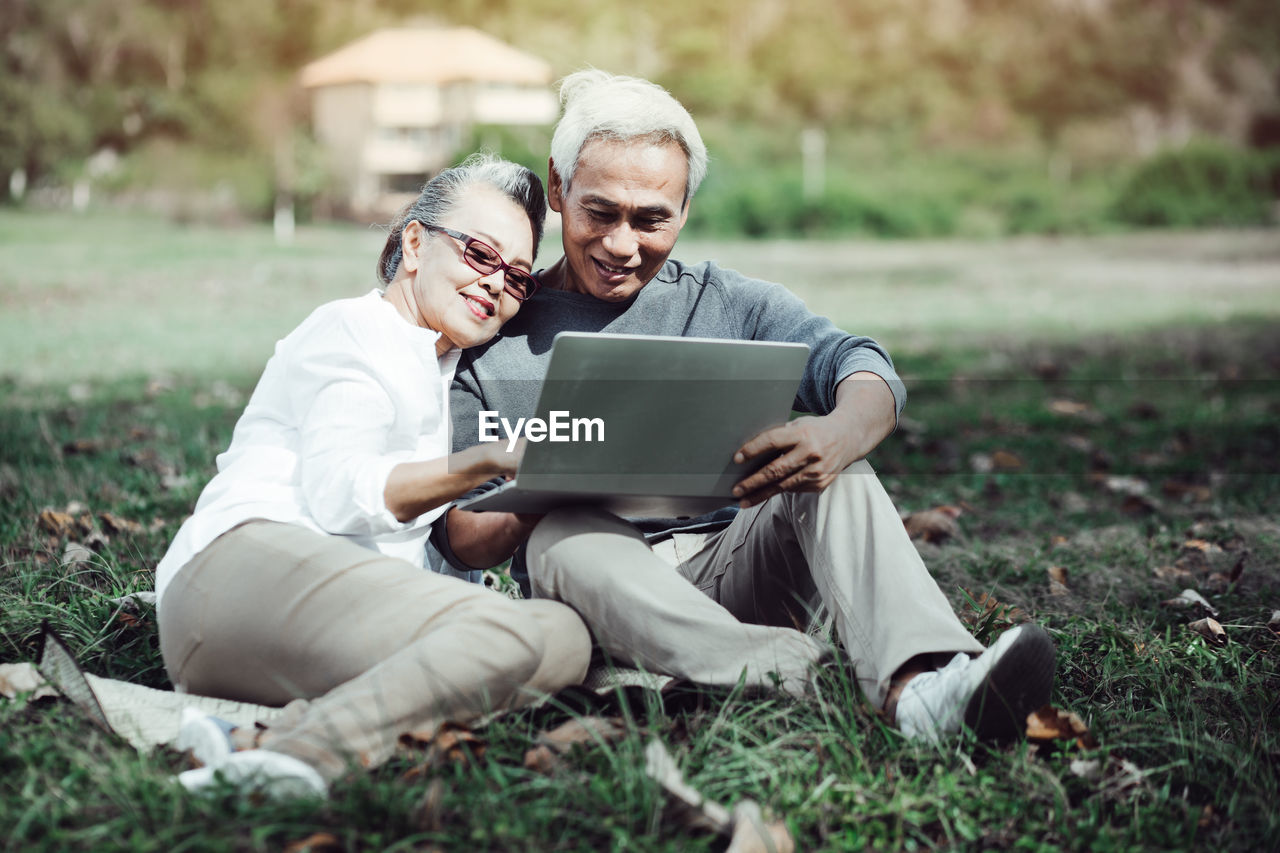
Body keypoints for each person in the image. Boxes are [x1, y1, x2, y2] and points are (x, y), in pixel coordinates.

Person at [429, 72, 1055, 743]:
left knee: (834, 469)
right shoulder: (492, 333)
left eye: (651, 219)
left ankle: (920, 687)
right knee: (561, 533)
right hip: (600, 592)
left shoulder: (723, 301)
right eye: (600, 212)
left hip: (735, 562)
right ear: (558, 189)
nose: (621, 244)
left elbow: (865, 368)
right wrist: (549, 475)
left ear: (687, 207)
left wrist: (840, 431)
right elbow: (461, 533)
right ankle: (798, 674)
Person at [153, 153, 591, 798]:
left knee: (557, 639)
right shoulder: (353, 330)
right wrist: (492, 458)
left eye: (518, 275)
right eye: (479, 253)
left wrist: (551, 487)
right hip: (237, 571)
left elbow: (459, 543)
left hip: (319, 616)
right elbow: (341, 494)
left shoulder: (446, 376)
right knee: (508, 630)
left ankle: (259, 743)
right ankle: (299, 758)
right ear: (415, 243)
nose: (496, 283)